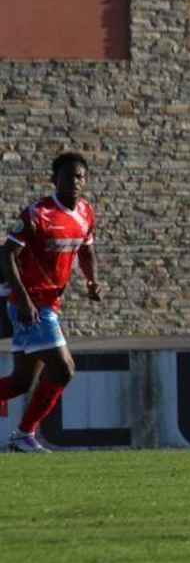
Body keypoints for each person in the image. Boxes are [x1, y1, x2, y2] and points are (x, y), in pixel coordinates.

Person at [1, 153, 104, 453]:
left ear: (85, 181)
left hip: (50, 304)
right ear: (54, 179)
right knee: (63, 368)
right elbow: (6, 254)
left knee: (21, 382)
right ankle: (24, 434)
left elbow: (86, 250)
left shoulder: (85, 212)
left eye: (79, 177)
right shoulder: (38, 213)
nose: (73, 182)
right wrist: (22, 298)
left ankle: (23, 434)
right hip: (32, 304)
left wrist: (91, 281)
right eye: (67, 176)